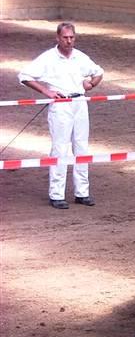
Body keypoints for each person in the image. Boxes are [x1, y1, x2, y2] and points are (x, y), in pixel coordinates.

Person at [18, 22, 104, 209]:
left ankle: (82, 192)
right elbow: (24, 75)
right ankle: (56, 194)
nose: (69, 41)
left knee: (81, 147)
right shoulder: (48, 58)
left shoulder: (80, 57)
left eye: (72, 37)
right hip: (60, 105)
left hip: (79, 103)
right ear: (58, 38)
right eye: (65, 37)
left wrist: (92, 84)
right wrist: (46, 92)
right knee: (60, 148)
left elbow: (99, 72)